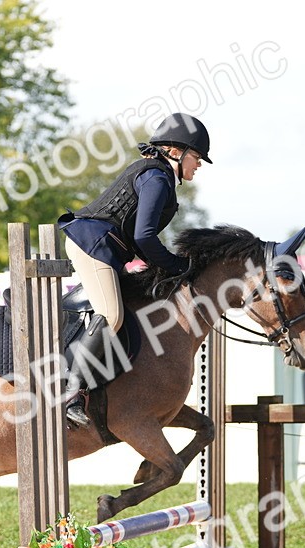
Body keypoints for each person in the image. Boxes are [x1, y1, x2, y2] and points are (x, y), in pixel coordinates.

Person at [56, 112, 211, 427]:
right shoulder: (156, 177)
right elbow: (144, 236)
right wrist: (176, 264)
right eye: (197, 157)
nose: (199, 164)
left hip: (106, 248)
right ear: (176, 151)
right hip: (93, 245)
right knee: (111, 315)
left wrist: (168, 268)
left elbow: (140, 239)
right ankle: (71, 392)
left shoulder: (160, 177)